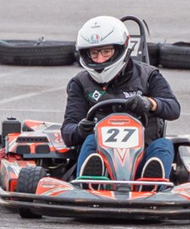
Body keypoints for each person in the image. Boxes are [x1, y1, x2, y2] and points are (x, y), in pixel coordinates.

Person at [59, 14, 181, 179]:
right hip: (101, 155)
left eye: (106, 52)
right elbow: (67, 132)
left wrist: (149, 103)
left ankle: (152, 184)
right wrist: (80, 129)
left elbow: (173, 109)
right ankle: (88, 183)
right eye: (94, 53)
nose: (100, 59)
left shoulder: (148, 75)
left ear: (121, 49)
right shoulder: (80, 83)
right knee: (90, 140)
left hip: (142, 154)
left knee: (164, 145)